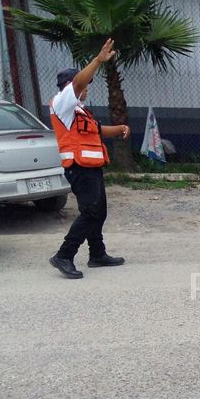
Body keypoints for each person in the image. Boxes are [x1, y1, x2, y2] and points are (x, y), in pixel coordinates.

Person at [48, 38, 129, 279]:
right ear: (71, 86)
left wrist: (119, 129)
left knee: (99, 211)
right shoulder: (62, 102)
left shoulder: (78, 110)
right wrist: (97, 60)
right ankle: (64, 255)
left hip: (91, 166)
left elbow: (96, 129)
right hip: (78, 167)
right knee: (91, 212)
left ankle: (97, 254)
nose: (88, 87)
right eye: (85, 84)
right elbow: (79, 82)